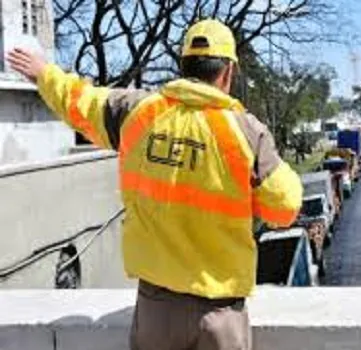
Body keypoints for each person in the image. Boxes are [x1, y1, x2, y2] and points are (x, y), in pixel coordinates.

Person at [7, 19, 303, 350]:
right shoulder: (247, 132)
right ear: (228, 72)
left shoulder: (137, 112)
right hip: (221, 312)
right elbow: (285, 208)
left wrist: (43, 73)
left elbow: (80, 101)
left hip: (156, 310)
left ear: (183, 66)